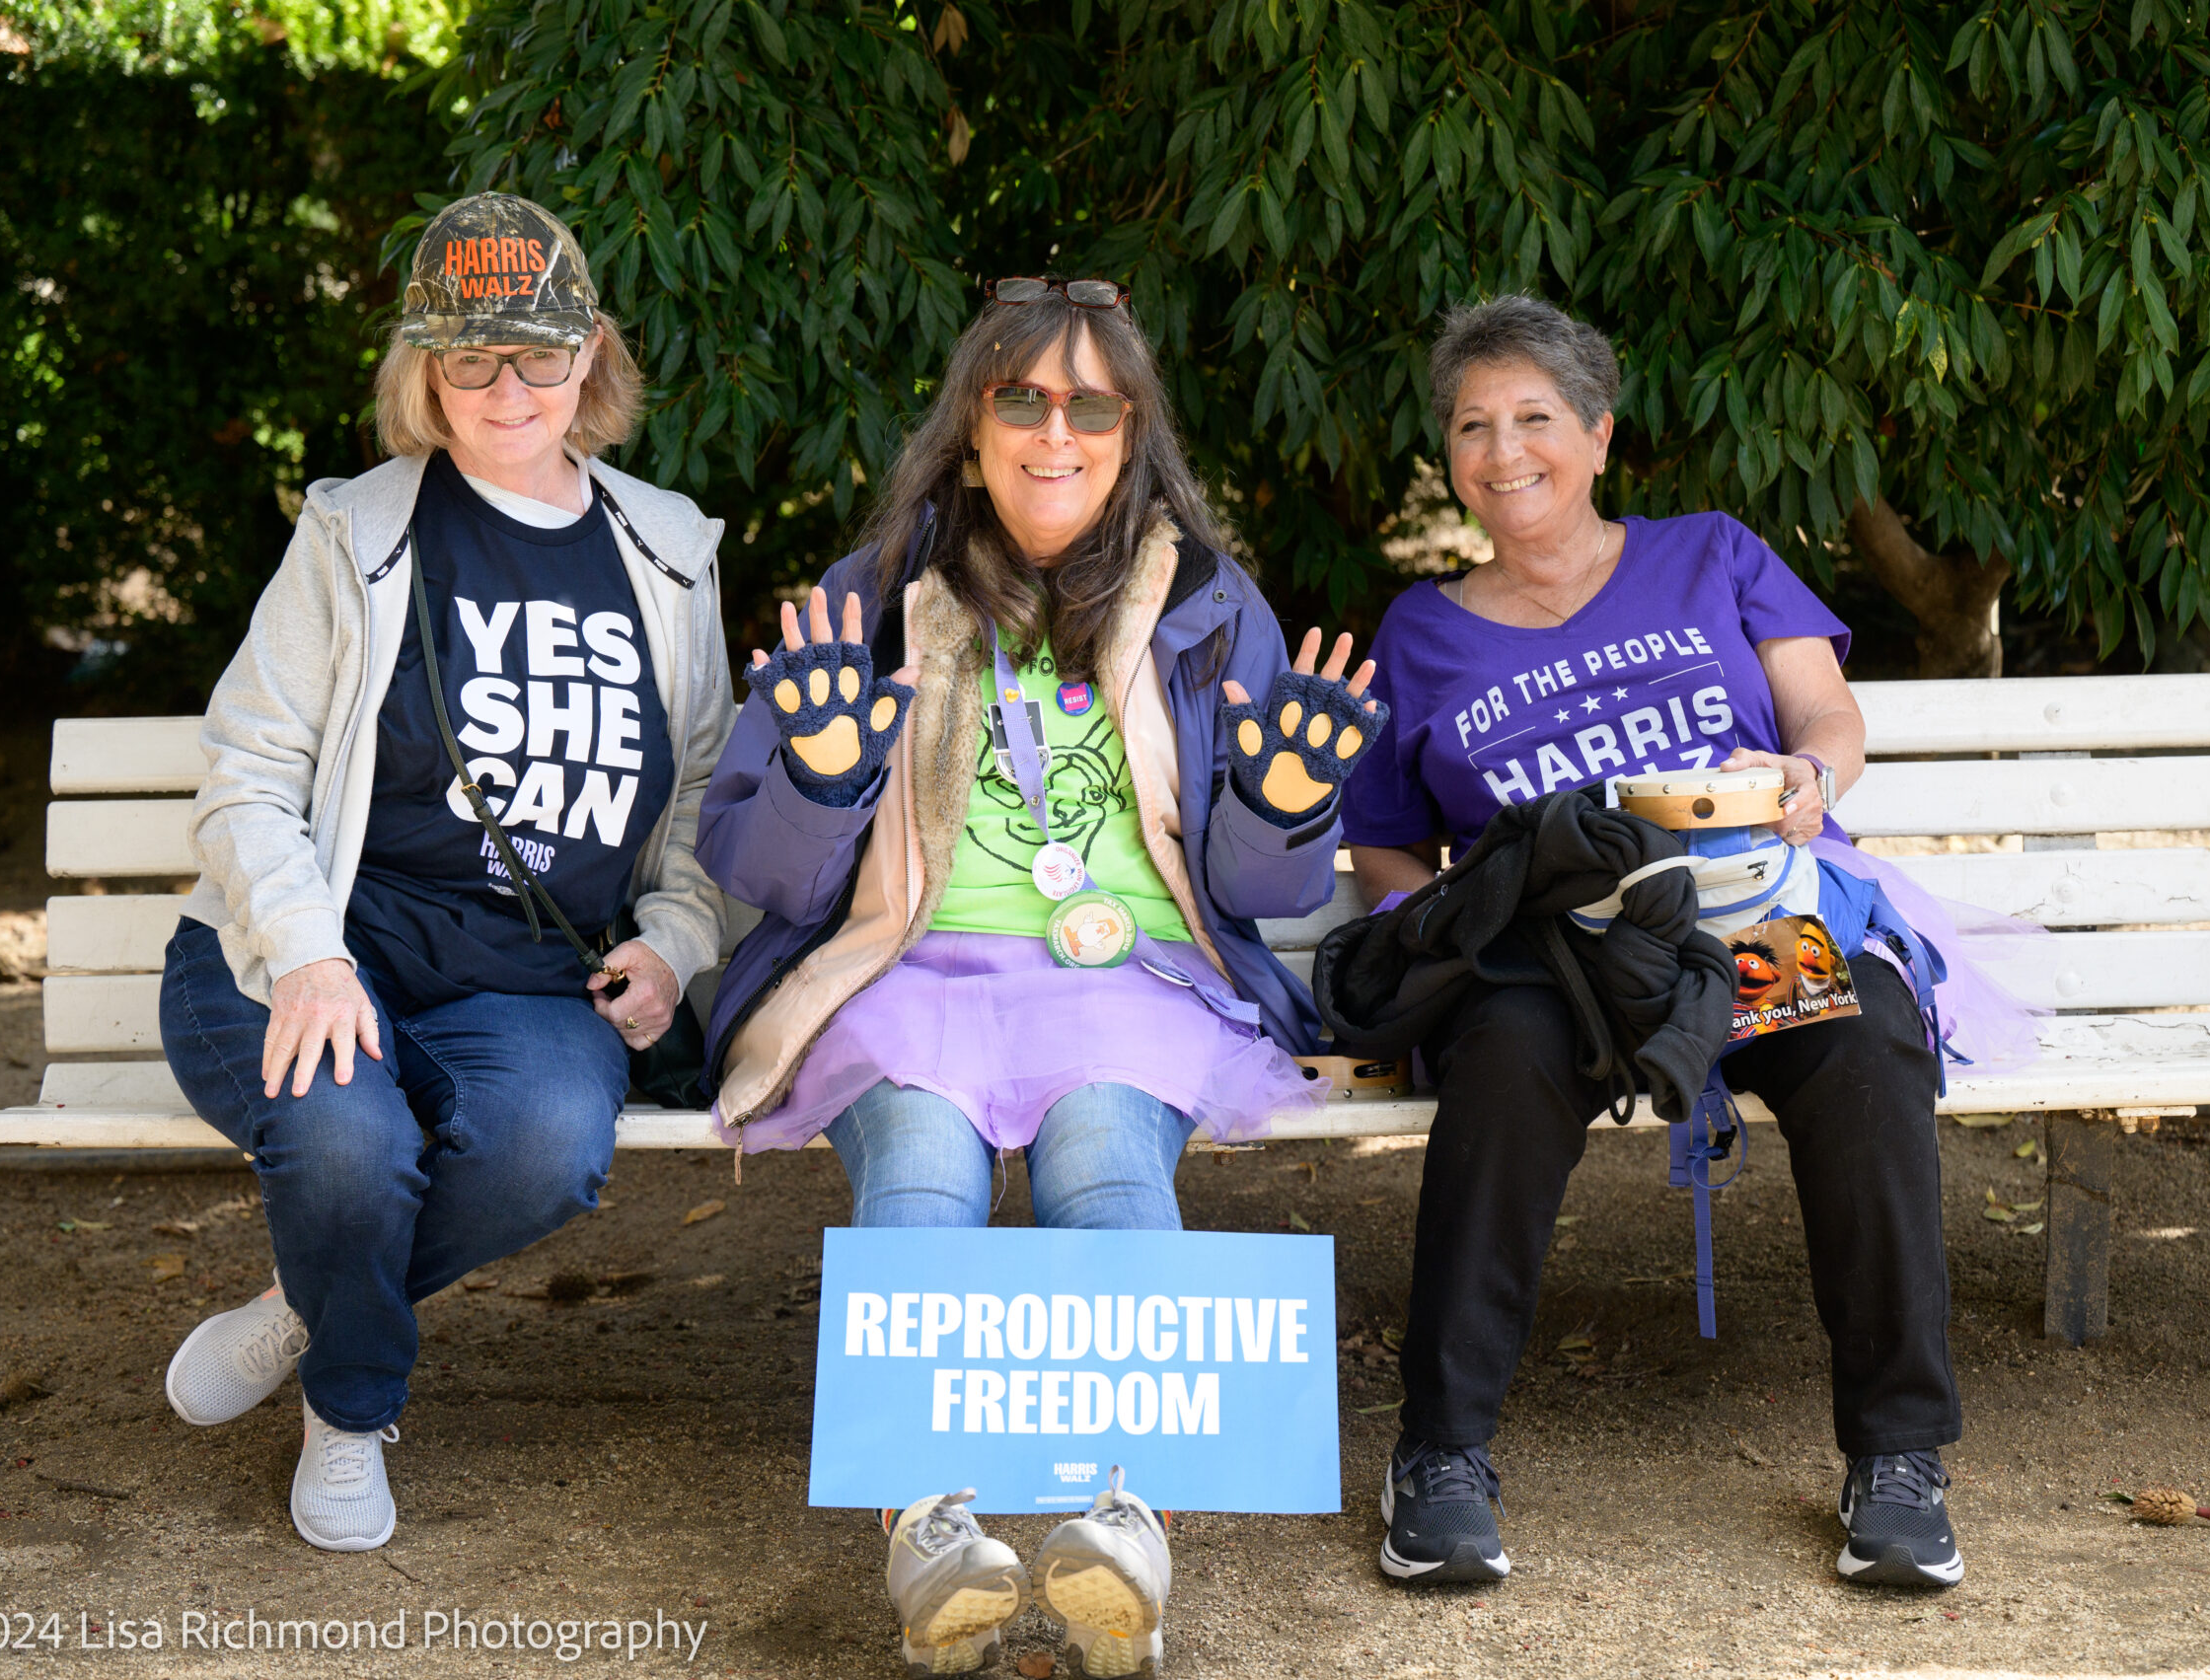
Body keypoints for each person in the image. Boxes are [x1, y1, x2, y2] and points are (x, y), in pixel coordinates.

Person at [694, 276, 1386, 1678]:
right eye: (1021, 397)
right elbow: (759, 870)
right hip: (904, 966)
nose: (1053, 430)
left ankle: (1119, 1526)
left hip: (1128, 979)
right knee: (922, 1172)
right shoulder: (876, 594)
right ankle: (929, 1531)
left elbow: (1261, 894)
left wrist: (1291, 805)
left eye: (1090, 403)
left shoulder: (1203, 601)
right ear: (969, 429)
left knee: (1109, 1162)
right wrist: (823, 782)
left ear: (1133, 434)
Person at [1341, 295, 1974, 1591]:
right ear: (1450, 456)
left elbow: (1829, 718)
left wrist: (1807, 777)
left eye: (1533, 418)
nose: (1503, 450)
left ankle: (1900, 1459)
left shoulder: (1712, 554)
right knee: (1506, 1061)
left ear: (1598, 435)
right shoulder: (1423, 633)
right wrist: (1431, 925)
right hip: (1557, 954)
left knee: (1861, 1047)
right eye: (1473, 426)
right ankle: (1442, 1459)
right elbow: (1391, 846)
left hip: (1748, 919)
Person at [154, 193, 734, 1554]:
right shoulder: (355, 532)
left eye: (536, 352)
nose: (507, 387)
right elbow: (245, 771)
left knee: (544, 1147)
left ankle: (311, 1302)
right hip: (314, 947)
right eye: (470, 358)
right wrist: (307, 953)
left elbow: (703, 791)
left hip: (525, 975)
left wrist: (673, 944)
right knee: (348, 1142)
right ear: (423, 365)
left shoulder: (667, 551)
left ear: (589, 352)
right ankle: (351, 1411)